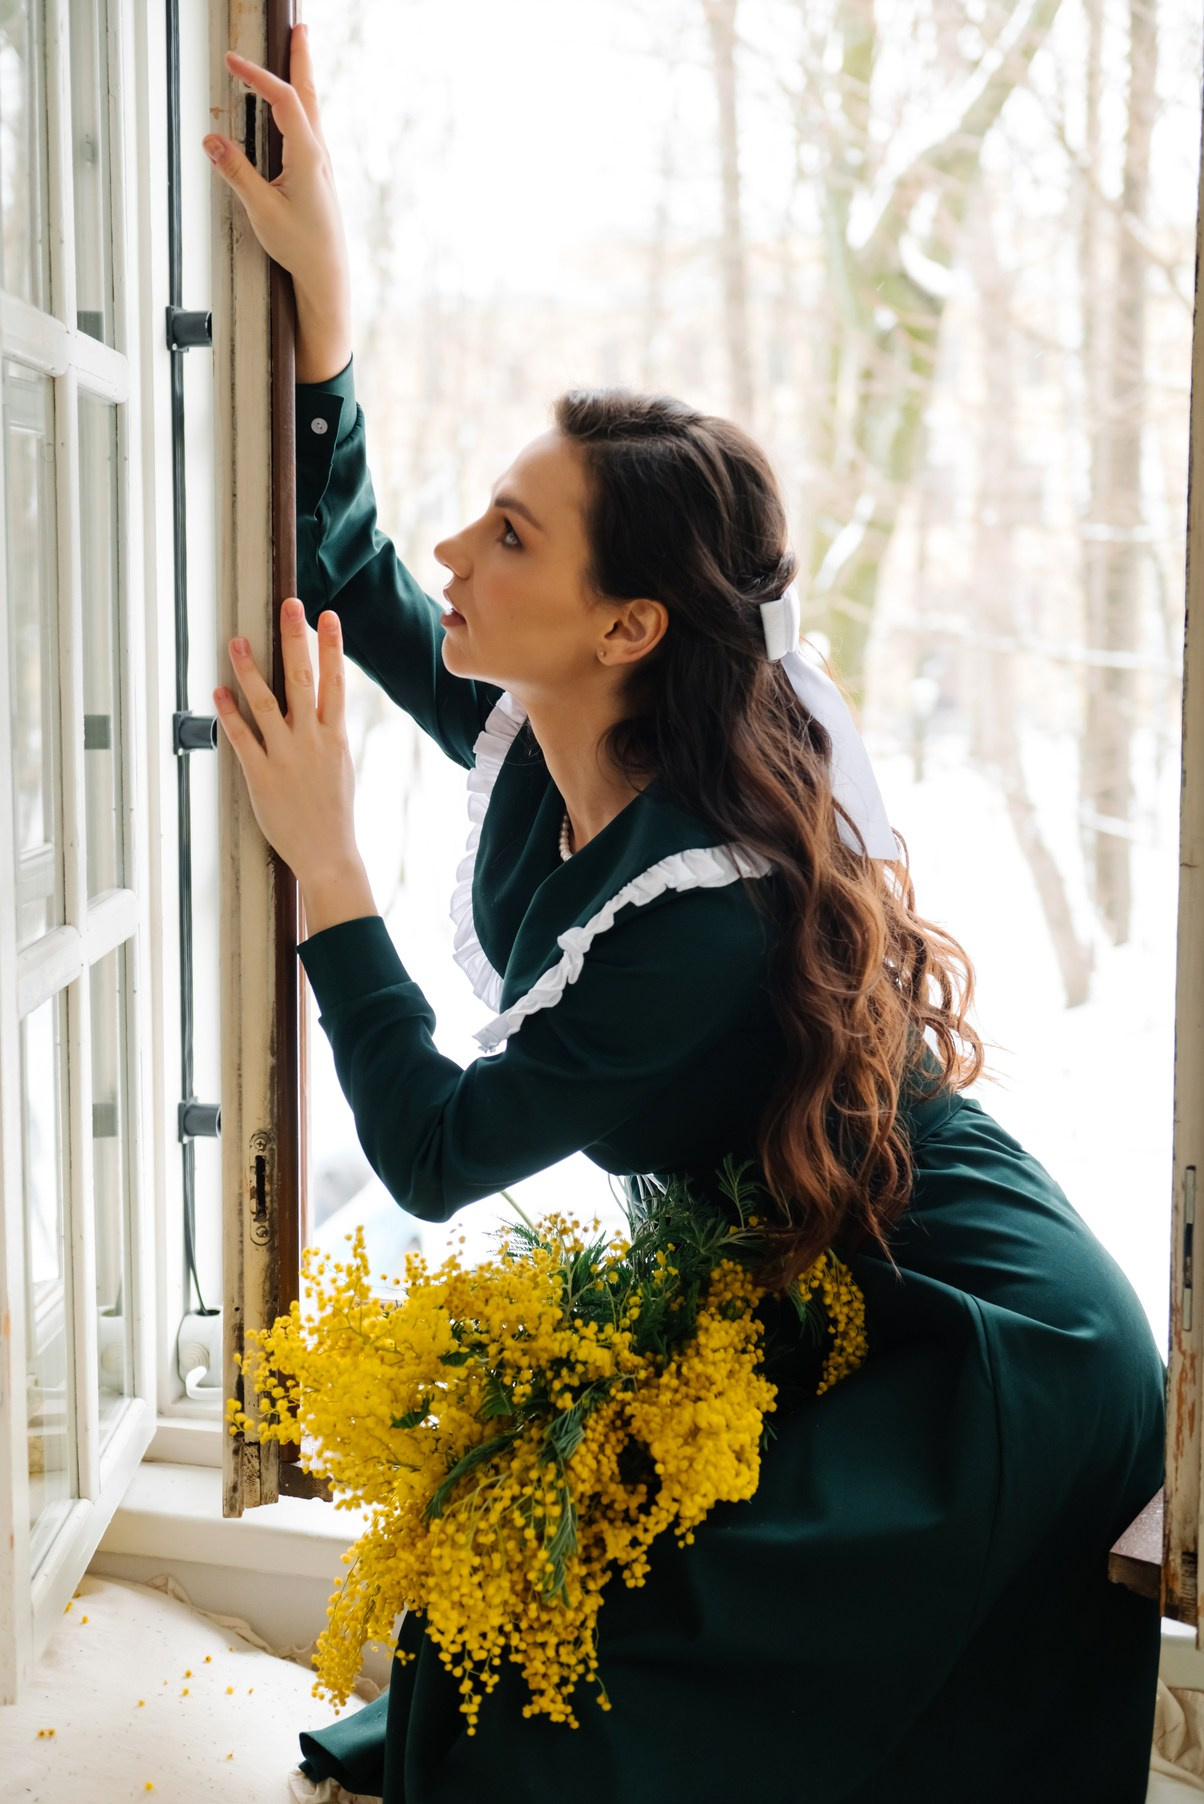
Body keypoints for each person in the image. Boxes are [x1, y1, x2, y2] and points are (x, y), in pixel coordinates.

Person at [203, 26, 1166, 1803]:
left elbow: (430, 1151)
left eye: (508, 537)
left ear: (628, 625)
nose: (453, 562)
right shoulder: (544, 732)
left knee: (598, 1669)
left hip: (977, 1337)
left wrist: (325, 868)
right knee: (533, 1634)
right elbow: (339, 566)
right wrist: (321, 299)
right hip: (805, 1286)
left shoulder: (699, 906)